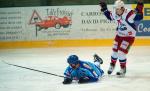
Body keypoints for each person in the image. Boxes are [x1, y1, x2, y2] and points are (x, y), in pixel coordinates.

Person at [99, 0, 144, 76]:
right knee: (114, 52)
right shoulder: (115, 13)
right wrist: (104, 8)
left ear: (122, 8)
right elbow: (109, 16)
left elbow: (140, 17)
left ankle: (123, 68)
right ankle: (112, 65)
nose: (116, 10)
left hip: (129, 37)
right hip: (119, 35)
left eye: (118, 9)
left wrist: (140, 4)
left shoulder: (129, 14)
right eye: (115, 9)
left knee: (121, 53)